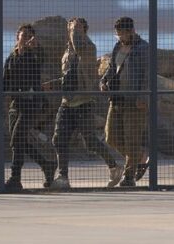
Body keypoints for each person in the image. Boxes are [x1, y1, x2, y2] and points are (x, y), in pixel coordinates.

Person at [51, 17, 123, 190]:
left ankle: (114, 166)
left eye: (77, 29)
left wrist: (75, 29)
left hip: (84, 102)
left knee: (90, 141)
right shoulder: (67, 52)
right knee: (59, 139)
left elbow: (79, 47)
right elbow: (70, 75)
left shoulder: (89, 48)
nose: (72, 31)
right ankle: (63, 176)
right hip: (67, 102)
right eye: (70, 28)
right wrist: (54, 83)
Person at [0, 24, 56, 191]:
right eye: (23, 35)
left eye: (29, 36)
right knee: (18, 141)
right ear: (17, 36)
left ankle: (15, 178)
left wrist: (35, 48)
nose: (26, 39)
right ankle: (46, 165)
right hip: (16, 104)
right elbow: (4, 82)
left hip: (31, 103)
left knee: (17, 139)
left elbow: (41, 60)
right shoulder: (11, 57)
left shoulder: (34, 55)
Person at [101, 17, 149, 187]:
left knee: (132, 139)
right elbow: (112, 68)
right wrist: (104, 81)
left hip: (134, 101)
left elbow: (148, 75)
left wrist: (143, 97)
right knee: (111, 137)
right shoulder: (117, 47)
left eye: (123, 34)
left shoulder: (143, 49)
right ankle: (141, 156)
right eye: (118, 34)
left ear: (132, 31)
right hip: (116, 98)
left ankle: (129, 177)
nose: (120, 37)